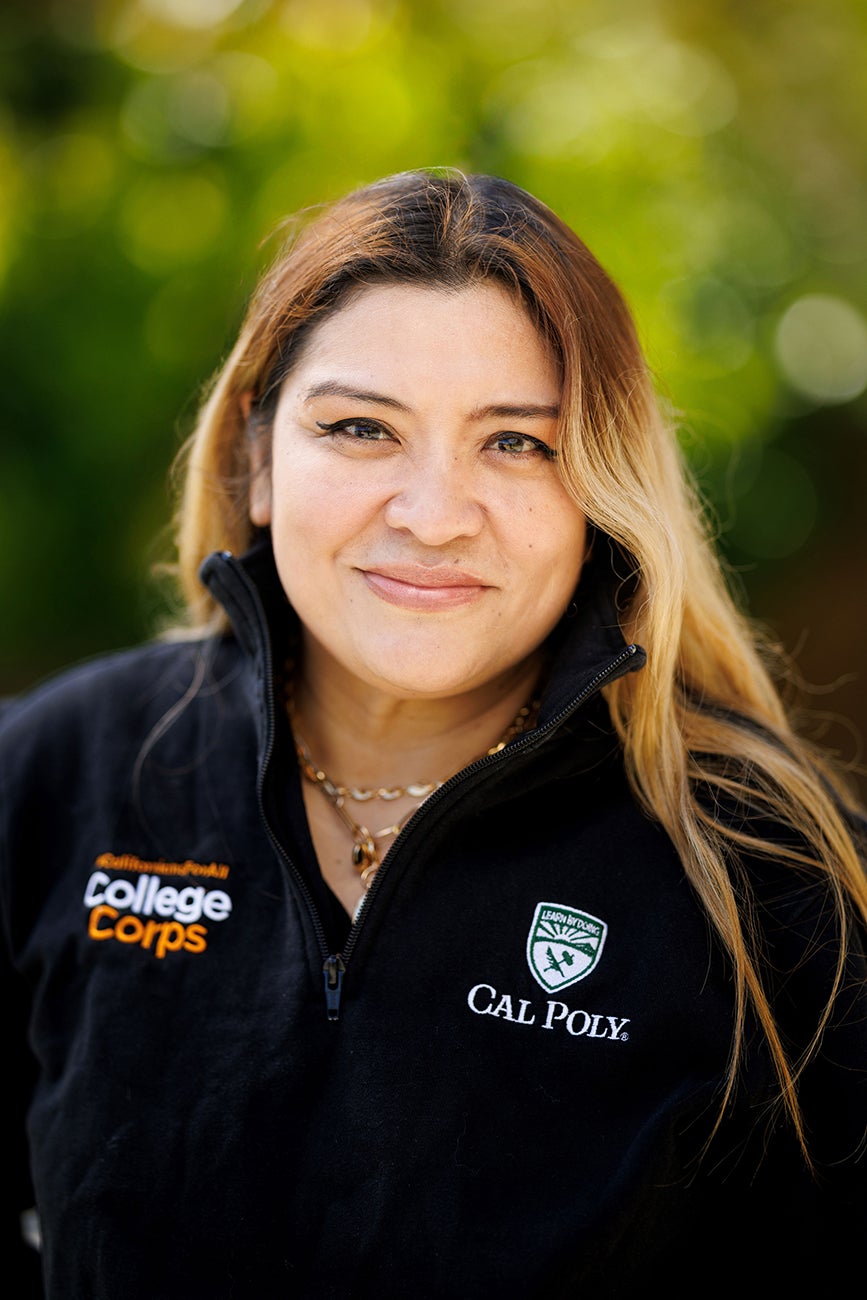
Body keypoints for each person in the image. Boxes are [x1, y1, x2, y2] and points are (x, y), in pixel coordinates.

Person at [2, 168, 866, 1299]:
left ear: (599, 485)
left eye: (516, 443)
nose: (433, 513)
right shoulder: (54, 775)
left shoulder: (774, 885)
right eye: (361, 428)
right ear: (259, 457)